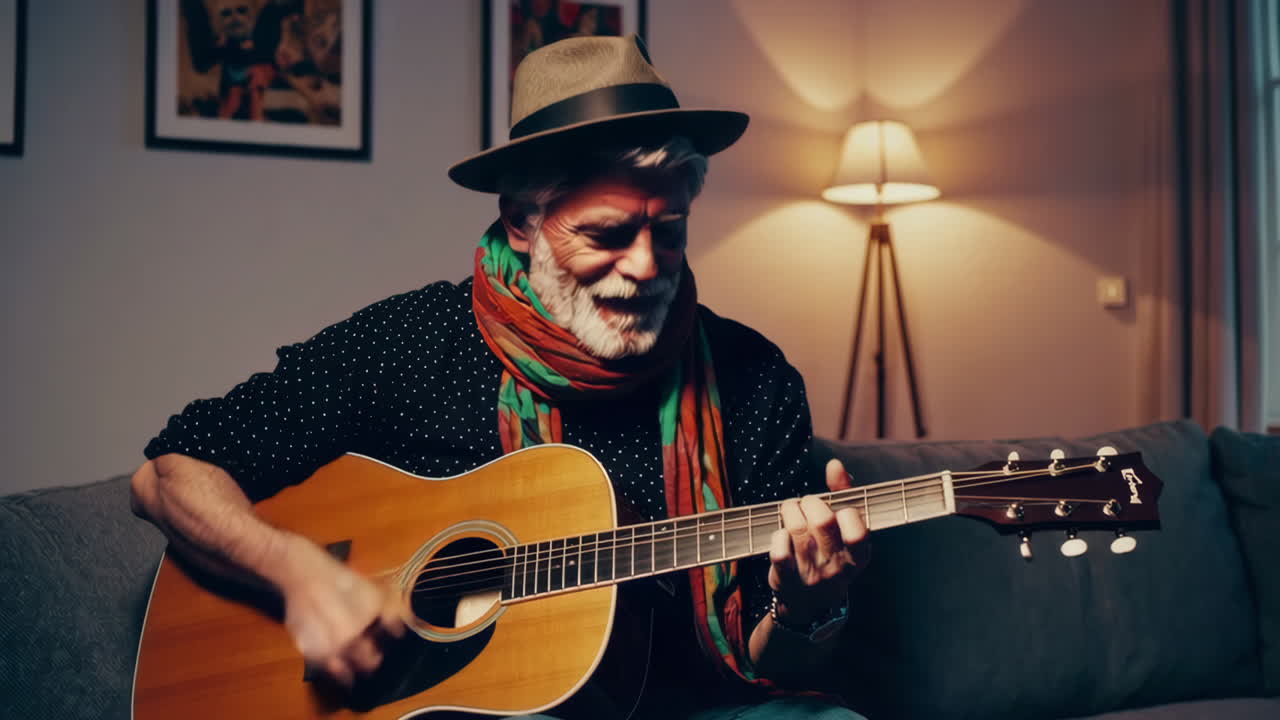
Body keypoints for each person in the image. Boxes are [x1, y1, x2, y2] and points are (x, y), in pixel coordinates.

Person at [131, 34, 869, 720]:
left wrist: (809, 605)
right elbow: (168, 475)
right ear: (523, 221)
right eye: (608, 234)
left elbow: (773, 663)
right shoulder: (413, 344)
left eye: (668, 231)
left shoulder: (755, 381)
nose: (646, 266)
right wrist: (300, 576)